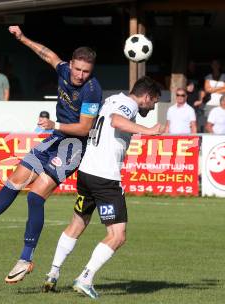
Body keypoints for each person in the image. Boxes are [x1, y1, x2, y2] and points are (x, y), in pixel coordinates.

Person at [0, 25, 102, 285]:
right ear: (70, 64)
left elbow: (85, 127)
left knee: (35, 197)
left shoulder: (92, 89)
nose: (81, 75)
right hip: (55, 138)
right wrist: (23, 37)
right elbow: (47, 54)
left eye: (86, 71)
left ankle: (25, 259)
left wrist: (56, 125)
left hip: (72, 147)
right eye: (78, 69)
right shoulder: (63, 69)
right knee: (15, 180)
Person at [41, 76, 162, 299]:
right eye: (153, 102)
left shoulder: (113, 98)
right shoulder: (128, 106)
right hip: (105, 177)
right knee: (117, 235)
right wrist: (148, 131)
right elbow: (116, 120)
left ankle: (53, 272)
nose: (152, 107)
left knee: (77, 224)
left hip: (87, 172)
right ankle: (85, 278)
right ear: (146, 97)